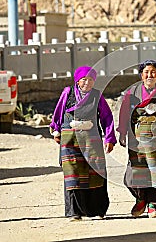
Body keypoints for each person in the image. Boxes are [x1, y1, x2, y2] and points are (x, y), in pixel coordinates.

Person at [50, 66, 117, 221]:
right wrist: (56, 129)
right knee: (72, 174)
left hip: (92, 140)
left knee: (95, 173)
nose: (87, 83)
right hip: (69, 140)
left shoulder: (96, 96)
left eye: (91, 80)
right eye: (84, 79)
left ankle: (97, 210)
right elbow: (59, 112)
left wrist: (109, 138)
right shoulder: (68, 92)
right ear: (77, 80)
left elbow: (107, 118)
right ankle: (75, 212)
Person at [117, 59, 156, 218]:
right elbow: (124, 114)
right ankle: (141, 199)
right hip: (137, 138)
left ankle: (152, 205)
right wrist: (122, 133)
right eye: (147, 72)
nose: (150, 75)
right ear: (141, 75)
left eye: (153, 72)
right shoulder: (132, 93)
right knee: (135, 172)